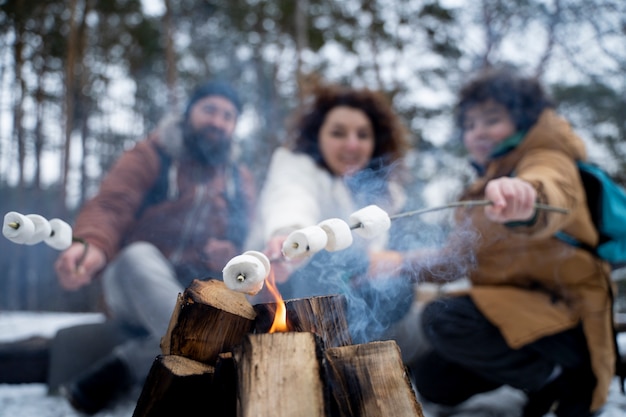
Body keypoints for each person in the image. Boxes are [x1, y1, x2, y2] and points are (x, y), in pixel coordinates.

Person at [396, 67, 615, 416]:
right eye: (469, 126)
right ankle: (538, 380)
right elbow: (452, 260)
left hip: (568, 319)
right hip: (522, 317)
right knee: (434, 380)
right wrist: (396, 264)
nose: (478, 132)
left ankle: (559, 380)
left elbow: (550, 188)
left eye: (491, 120)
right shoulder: (483, 186)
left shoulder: (546, 157)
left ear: (522, 119)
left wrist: (525, 195)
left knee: (444, 317)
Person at [53, 80, 255, 414]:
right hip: (135, 284)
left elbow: (247, 240)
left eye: (228, 116)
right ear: (189, 113)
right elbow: (110, 206)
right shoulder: (152, 155)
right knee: (138, 256)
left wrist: (232, 252)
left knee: (240, 308)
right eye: (210, 111)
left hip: (197, 292)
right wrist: (91, 244)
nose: (218, 121)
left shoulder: (239, 179)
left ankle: (124, 366)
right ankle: (222, 385)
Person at [246, 81, 413, 342]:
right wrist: (287, 236)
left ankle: (347, 360)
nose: (352, 144)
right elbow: (290, 198)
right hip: (284, 284)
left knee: (397, 288)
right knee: (328, 259)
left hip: (347, 297)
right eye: (338, 133)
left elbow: (372, 259)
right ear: (318, 136)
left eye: (362, 135)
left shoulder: (382, 194)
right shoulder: (296, 165)